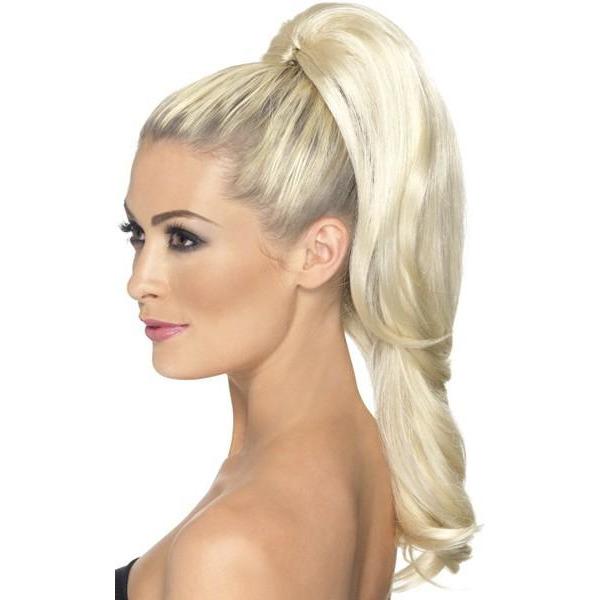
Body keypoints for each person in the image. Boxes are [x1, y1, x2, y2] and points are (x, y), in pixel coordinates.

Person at [115, 2, 481, 598]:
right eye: (136, 233)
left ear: (316, 253)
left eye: (183, 238)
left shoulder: (230, 552)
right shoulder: (364, 454)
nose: (140, 280)